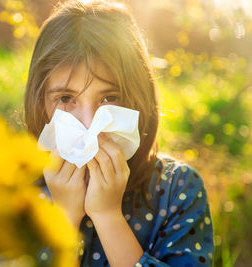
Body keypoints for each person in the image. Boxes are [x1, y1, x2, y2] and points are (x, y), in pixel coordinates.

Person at [24, 0, 214, 266]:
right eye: (66, 98)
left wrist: (107, 216)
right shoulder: (18, 193)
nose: (90, 123)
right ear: (39, 101)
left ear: (138, 98)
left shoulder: (177, 189)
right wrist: (64, 217)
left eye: (109, 97)